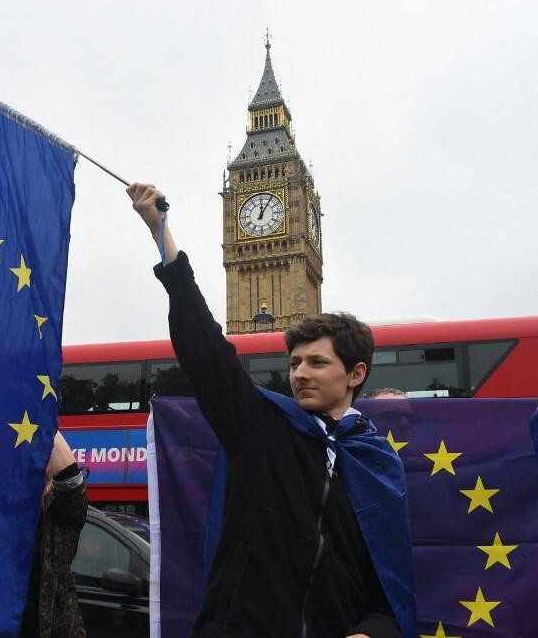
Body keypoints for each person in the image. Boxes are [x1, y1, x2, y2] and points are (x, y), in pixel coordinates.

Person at [128, 184, 415, 638]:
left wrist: (369, 633)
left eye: (317, 363)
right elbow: (207, 353)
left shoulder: (376, 463)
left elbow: (388, 594)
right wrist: (162, 235)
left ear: (355, 373)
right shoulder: (262, 427)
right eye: (295, 363)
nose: (300, 373)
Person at [19, 430, 88, 638]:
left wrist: (38, 415)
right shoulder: (3, 510)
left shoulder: (61, 508)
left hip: (51, 629)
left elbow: (70, 476)